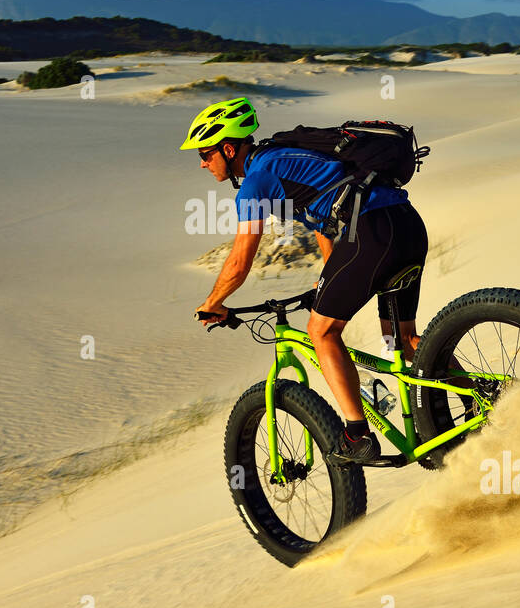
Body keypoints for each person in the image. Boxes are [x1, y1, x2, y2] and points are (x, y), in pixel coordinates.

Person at [182, 97, 429, 463]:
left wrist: (212, 304)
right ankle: (480, 397)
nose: (203, 162)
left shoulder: (258, 179)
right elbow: (325, 224)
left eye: (206, 153)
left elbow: (238, 262)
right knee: (406, 341)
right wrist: (327, 281)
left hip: (373, 232)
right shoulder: (284, 159)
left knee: (321, 332)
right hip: (406, 225)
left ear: (228, 148)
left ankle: (357, 437)